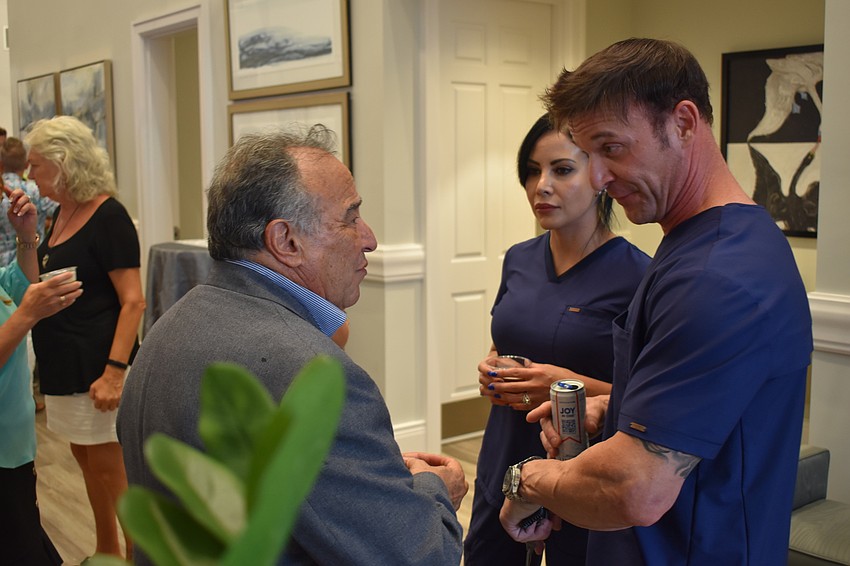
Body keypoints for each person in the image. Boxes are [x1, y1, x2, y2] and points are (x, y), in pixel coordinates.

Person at [498, 38, 813, 565]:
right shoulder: (706, 241)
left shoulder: (716, 277)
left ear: (684, 122)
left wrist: (527, 480)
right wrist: (613, 411)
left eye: (612, 148)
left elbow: (635, 490)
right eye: (587, 153)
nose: (597, 178)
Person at [117, 127, 468, 565]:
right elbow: (419, 557)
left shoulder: (169, 326)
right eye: (351, 217)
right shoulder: (313, 374)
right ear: (285, 241)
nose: (370, 238)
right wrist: (437, 490)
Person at [464, 115, 649, 565]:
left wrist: (565, 385)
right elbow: (504, 343)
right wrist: (492, 370)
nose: (540, 186)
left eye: (561, 170)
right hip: (506, 457)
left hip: (584, 468)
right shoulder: (519, 259)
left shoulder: (638, 275)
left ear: (601, 177)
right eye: (532, 170)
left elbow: (647, 398)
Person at [26, 116, 146, 560]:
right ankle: (106, 549)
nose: (31, 175)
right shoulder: (60, 213)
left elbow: (133, 302)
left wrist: (115, 373)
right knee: (84, 457)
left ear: (62, 163)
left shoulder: (108, 215)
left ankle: (139, 553)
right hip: (63, 363)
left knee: (111, 467)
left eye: (37, 165)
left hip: (98, 364)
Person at [0, 183, 83, 565]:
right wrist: (28, 314)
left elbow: (17, 288)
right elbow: (22, 308)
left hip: (12, 444)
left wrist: (26, 236)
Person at [1, 137, 58, 266]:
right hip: (33, 264)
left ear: (1, 164)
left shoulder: (1, 191)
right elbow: (62, 210)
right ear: (27, 164)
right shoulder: (37, 191)